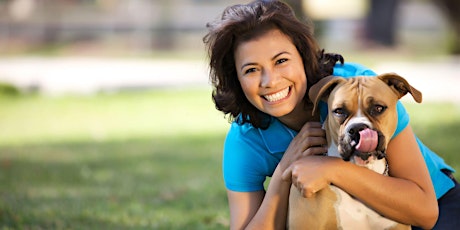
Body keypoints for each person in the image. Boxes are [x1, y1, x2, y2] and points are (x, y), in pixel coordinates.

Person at [203, 0, 459, 229]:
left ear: (303, 57)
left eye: (281, 61)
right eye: (251, 70)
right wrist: (285, 171)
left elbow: (425, 213)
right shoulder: (246, 140)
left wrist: (331, 169)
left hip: (431, 201)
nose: (270, 81)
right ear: (236, 78)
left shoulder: (364, 90)